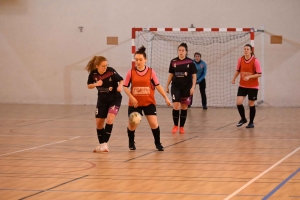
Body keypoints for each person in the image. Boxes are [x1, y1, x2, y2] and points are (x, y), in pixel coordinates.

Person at [123, 46, 171, 151]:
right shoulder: (130, 72)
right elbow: (125, 87)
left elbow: (158, 86)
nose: (138, 62)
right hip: (135, 104)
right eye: (136, 60)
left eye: (140, 60)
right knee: (132, 125)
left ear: (145, 60)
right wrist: (131, 97)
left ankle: (158, 143)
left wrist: (166, 98)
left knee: (154, 123)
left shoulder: (151, 72)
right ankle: (131, 142)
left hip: (149, 103)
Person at [85, 56, 123, 152]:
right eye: (103, 66)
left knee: (109, 120)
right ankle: (102, 145)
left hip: (115, 99)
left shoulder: (111, 72)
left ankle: (104, 144)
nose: (105, 68)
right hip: (102, 100)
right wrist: (96, 84)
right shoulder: (93, 74)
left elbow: (121, 80)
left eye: (106, 65)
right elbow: (89, 86)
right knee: (99, 124)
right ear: (97, 66)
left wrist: (120, 86)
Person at [165, 43, 197, 134]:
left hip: (187, 87)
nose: (181, 52)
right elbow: (171, 75)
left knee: (184, 107)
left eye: (183, 50)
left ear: (186, 52)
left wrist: (193, 87)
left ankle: (182, 127)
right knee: (176, 105)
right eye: (179, 50)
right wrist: (166, 86)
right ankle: (175, 125)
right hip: (175, 86)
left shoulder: (190, 62)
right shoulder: (173, 62)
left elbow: (194, 76)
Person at [231, 44, 262, 128]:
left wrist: (249, 76)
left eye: (248, 49)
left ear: (251, 51)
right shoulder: (240, 60)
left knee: (251, 103)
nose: (246, 50)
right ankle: (243, 119)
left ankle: (251, 122)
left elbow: (259, 74)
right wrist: (234, 78)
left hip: (253, 86)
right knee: (239, 102)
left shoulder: (255, 61)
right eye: (244, 49)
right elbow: (238, 70)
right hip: (243, 85)